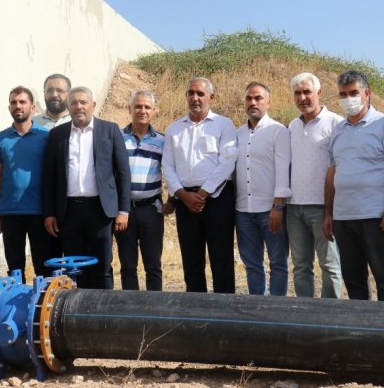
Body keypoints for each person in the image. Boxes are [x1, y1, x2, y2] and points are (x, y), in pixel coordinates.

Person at [323, 70, 384, 302]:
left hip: (375, 216)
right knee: (353, 277)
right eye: (343, 94)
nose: (348, 98)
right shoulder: (338, 130)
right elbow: (332, 173)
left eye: (353, 93)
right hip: (343, 217)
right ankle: (361, 322)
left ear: (367, 93)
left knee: (383, 276)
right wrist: (328, 213)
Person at [42, 86, 130, 289]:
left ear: (93, 105)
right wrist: (49, 213)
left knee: (102, 266)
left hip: (100, 210)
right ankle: (78, 307)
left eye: (83, 102)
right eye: (74, 103)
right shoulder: (57, 135)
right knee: (74, 267)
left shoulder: (110, 130)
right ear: (68, 107)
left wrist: (123, 210)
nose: (79, 106)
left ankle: (103, 307)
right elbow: (49, 178)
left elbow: (123, 173)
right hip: (69, 212)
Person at [162, 77, 237, 293]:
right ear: (186, 96)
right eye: (191, 93)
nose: (195, 98)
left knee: (221, 258)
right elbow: (167, 165)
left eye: (200, 94)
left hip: (217, 200)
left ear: (211, 97)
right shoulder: (174, 129)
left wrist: (203, 193)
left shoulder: (224, 125)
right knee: (191, 259)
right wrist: (183, 195)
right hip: (185, 202)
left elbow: (228, 161)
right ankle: (195, 306)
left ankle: (225, 306)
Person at [287, 72, 344, 298]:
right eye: (297, 93)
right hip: (294, 208)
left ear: (319, 92)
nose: (302, 98)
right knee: (301, 266)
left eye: (307, 92)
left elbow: (339, 166)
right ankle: (305, 312)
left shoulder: (336, 123)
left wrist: (331, 209)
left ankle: (330, 313)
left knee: (329, 265)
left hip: (323, 208)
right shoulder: (292, 126)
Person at [234, 82, 291, 296]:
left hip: (270, 210)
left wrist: (278, 206)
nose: (253, 102)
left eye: (258, 98)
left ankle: (276, 309)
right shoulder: (237, 134)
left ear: (268, 102)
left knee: (278, 263)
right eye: (249, 98)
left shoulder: (278, 131)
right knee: (252, 264)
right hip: (243, 211)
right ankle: (258, 307)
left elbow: (283, 170)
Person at [0, 86, 52, 282]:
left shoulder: (46, 137)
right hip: (10, 212)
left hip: (39, 211)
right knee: (15, 267)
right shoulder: (0, 139)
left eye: (22, 102)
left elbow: (53, 175)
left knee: (43, 265)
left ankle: (42, 301)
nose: (18, 106)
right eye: (14, 102)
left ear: (32, 107)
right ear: (9, 107)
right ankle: (17, 300)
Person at [115, 90, 166, 291]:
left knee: (153, 265)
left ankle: (154, 306)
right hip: (124, 211)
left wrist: (171, 200)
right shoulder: (117, 138)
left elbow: (171, 171)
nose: (142, 111)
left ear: (154, 111)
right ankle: (131, 306)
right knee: (128, 265)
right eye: (137, 106)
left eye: (147, 107)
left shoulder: (162, 140)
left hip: (151, 210)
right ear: (129, 109)